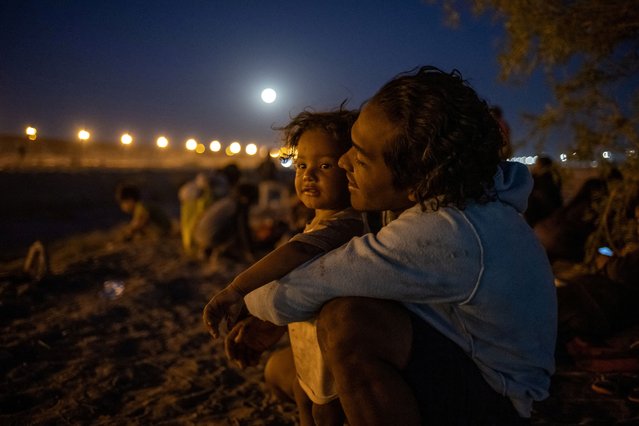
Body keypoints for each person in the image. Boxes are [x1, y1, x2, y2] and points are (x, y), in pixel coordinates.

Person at [233, 66, 557, 425]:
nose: (343, 162)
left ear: (416, 183)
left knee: (347, 321)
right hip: (460, 354)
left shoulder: (448, 230)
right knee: (286, 369)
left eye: (360, 156)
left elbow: (320, 281)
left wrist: (246, 304)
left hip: (496, 400)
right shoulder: (449, 202)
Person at [204, 108, 362, 425]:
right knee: (304, 397)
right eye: (301, 165)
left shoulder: (346, 225)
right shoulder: (318, 221)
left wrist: (236, 289)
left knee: (323, 410)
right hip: (304, 343)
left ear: (352, 169)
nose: (308, 175)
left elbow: (296, 251)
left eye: (325, 165)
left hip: (331, 357)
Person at [525, 155, 563, 227]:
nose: (535, 166)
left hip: (543, 213)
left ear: (541, 165)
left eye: (537, 164)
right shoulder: (552, 176)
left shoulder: (544, 178)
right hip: (552, 210)